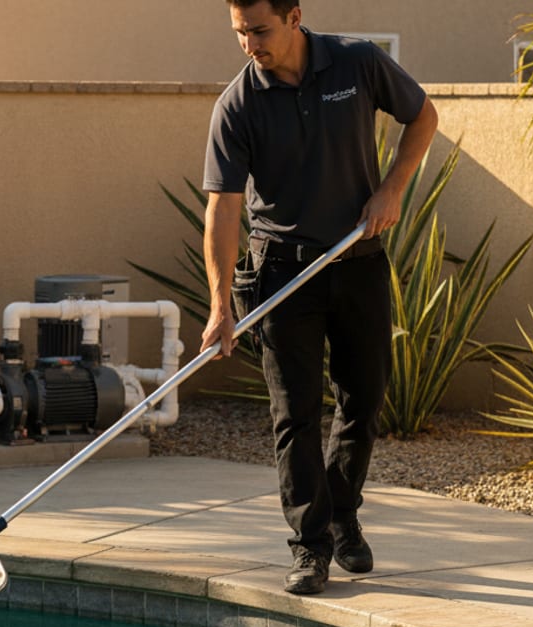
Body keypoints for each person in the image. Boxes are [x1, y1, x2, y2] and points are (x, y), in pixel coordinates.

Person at [201, 0, 438, 595]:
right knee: (296, 415)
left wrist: (391, 191)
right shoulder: (238, 104)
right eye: (239, 33)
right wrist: (219, 306)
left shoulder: (356, 63)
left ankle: (340, 510)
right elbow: (223, 209)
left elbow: (423, 117)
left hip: (358, 262)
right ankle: (310, 547)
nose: (249, 44)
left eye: (259, 30)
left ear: (295, 16)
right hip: (281, 273)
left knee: (364, 400)